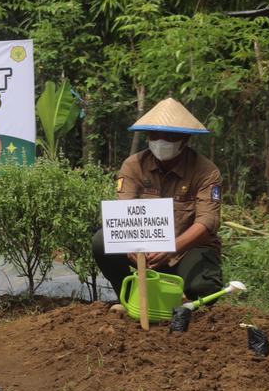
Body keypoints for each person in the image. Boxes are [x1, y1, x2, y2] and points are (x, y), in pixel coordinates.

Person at [91, 98, 223, 300]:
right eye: (155, 135)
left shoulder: (206, 171)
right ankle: (128, 297)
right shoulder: (134, 165)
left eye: (169, 136)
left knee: (204, 289)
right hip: (143, 249)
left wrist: (172, 248)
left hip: (185, 251)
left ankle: (186, 304)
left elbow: (207, 222)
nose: (161, 141)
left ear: (185, 139)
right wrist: (130, 246)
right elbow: (124, 210)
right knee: (102, 240)